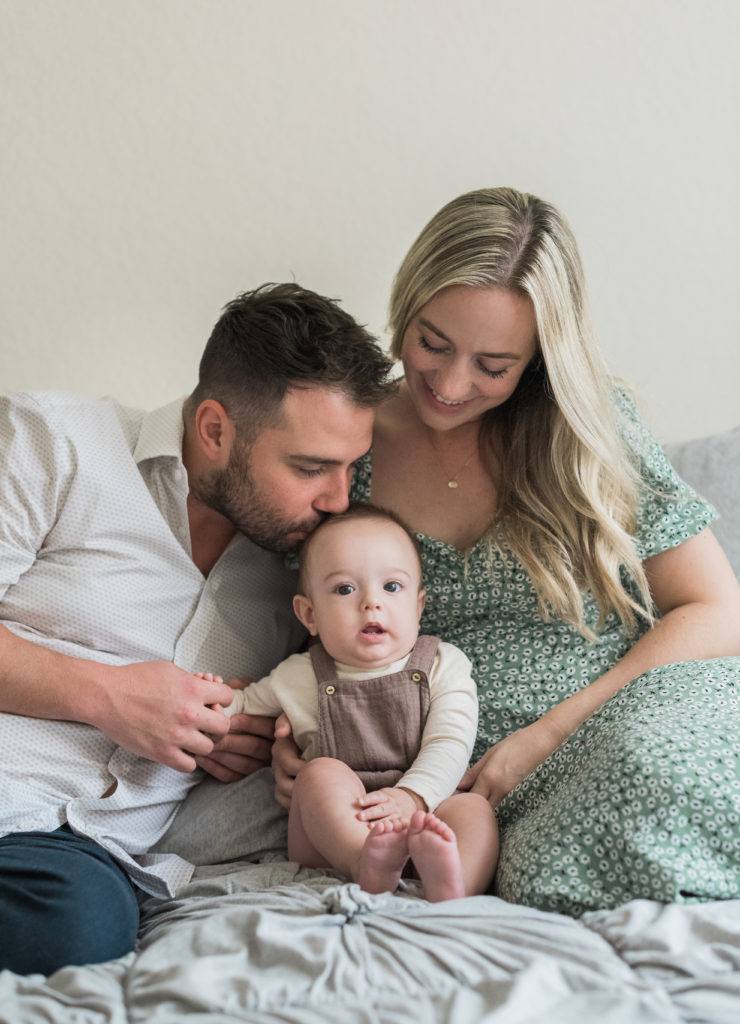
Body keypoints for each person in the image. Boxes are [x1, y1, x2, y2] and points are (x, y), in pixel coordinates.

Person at [274, 188, 740, 916]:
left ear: (538, 359)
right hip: (461, 775)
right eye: (432, 342)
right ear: (406, 302)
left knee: (649, 768)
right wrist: (299, 738)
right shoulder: (351, 447)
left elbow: (717, 611)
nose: (453, 384)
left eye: (493, 364)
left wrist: (551, 731)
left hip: (627, 707)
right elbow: (314, 629)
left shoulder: (588, 432)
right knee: (544, 868)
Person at [0, 282, 396, 975]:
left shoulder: (311, 575)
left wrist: (253, 741)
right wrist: (107, 695)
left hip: (68, 860)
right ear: (215, 430)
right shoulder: (53, 443)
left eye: (349, 467)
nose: (337, 498)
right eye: (310, 468)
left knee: (84, 924)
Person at [201, 503, 497, 901]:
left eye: (392, 587)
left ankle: (454, 881)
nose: (371, 603)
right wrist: (211, 697)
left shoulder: (444, 665)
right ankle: (366, 861)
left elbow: (451, 743)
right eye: (345, 589)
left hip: (429, 809)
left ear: (419, 606)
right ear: (310, 615)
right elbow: (240, 705)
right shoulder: (298, 675)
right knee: (319, 774)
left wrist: (411, 798)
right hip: (335, 841)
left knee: (475, 809)